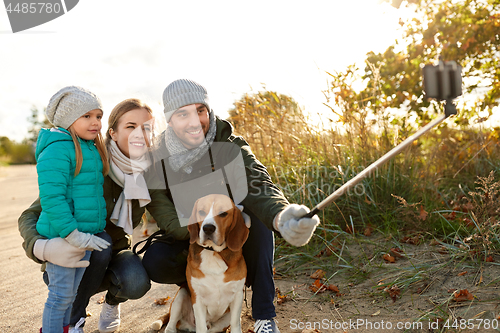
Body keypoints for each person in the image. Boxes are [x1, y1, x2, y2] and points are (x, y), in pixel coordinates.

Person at [141, 79, 320, 333]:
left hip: (233, 234)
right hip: (191, 236)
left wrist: (280, 215)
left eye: (200, 110)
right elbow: (164, 212)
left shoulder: (231, 144)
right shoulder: (158, 157)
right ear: (169, 120)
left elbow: (258, 182)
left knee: (257, 222)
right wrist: (204, 232)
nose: (195, 121)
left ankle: (264, 317)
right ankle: (201, 290)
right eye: (183, 114)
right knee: (156, 260)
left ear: (209, 111)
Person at [19, 98, 165, 333]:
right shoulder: (89, 162)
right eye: (130, 126)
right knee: (99, 248)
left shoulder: (149, 174)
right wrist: (40, 248)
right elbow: (31, 214)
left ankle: (112, 303)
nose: (140, 134)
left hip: (115, 252)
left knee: (135, 281)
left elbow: (167, 215)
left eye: (147, 128)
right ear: (113, 133)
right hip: (73, 252)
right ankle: (75, 319)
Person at [34, 86, 111, 333]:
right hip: (64, 236)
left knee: (71, 295)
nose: (95, 122)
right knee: (60, 297)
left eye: (98, 116)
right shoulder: (58, 148)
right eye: (86, 116)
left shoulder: (89, 147)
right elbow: (52, 199)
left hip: (84, 236)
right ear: (68, 118)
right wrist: (71, 234)